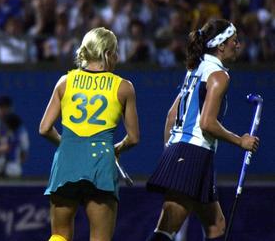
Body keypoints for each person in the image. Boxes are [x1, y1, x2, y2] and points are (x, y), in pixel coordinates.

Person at [145, 19, 260, 241]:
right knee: (166, 230)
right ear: (221, 46)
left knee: (216, 225)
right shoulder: (219, 75)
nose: (238, 45)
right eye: (234, 41)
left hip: (184, 152)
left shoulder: (195, 70)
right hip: (193, 154)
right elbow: (207, 123)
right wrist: (240, 141)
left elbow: (171, 116)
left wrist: (171, 152)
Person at [39, 27, 140, 241]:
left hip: (66, 162)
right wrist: (117, 149)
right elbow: (133, 138)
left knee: (59, 236)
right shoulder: (123, 87)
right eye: (116, 52)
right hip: (101, 164)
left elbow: (44, 128)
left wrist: (65, 144)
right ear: (108, 53)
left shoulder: (64, 82)